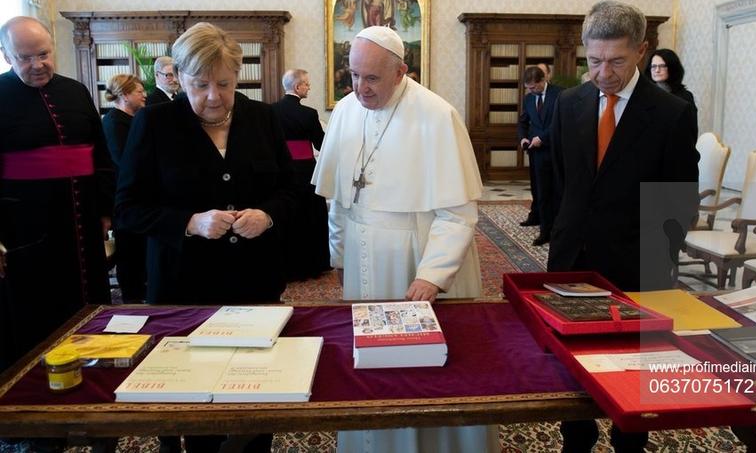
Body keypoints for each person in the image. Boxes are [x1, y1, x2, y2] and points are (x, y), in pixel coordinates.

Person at [312, 26, 496, 453]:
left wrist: (433, 275)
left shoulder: (437, 115)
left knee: (428, 369)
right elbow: (339, 198)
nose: (360, 88)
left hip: (417, 262)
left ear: (401, 72)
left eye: (372, 78)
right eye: (353, 76)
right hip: (363, 260)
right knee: (370, 366)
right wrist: (339, 257)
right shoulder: (344, 111)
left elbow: (457, 211)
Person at [115, 22, 295, 452]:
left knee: (254, 400)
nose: (213, 95)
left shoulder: (261, 117)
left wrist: (267, 216)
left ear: (238, 76)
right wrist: (189, 222)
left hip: (254, 282)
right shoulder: (155, 123)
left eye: (224, 83)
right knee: (196, 410)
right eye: (200, 84)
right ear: (178, 76)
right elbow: (128, 208)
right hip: (184, 285)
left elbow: (292, 191)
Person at [547, 1, 698, 452]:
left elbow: (678, 197)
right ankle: (577, 436)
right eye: (593, 61)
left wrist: (659, 267)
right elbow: (559, 182)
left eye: (616, 61)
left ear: (641, 51)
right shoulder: (569, 103)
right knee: (572, 365)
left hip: (638, 262)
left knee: (633, 370)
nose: (603, 73)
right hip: (572, 257)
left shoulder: (671, 113)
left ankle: (629, 441)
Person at [0, 16, 114, 372]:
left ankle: (93, 375)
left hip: (81, 223)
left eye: (44, 54)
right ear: (6, 56)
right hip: (23, 228)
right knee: (33, 316)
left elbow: (100, 156)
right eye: (25, 57)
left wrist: (106, 210)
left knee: (87, 305)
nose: (38, 65)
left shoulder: (76, 91)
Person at [273, 68, 330, 280]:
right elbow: (320, 143)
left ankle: (287, 265)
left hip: (281, 171)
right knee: (310, 216)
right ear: (297, 87)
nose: (309, 87)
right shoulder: (308, 114)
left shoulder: (271, 111)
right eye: (306, 84)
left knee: (286, 214)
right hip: (305, 171)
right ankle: (312, 265)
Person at [101, 74, 148, 303]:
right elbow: (123, 159)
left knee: (141, 253)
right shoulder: (113, 122)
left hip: (142, 196)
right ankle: (132, 302)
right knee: (129, 255)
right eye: (139, 91)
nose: (144, 95)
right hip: (125, 199)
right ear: (124, 94)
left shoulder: (136, 119)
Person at [517, 66, 562, 245]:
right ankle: (537, 218)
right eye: (528, 88)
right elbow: (523, 122)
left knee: (550, 192)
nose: (531, 91)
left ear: (543, 81)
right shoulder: (528, 99)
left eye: (534, 87)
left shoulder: (560, 95)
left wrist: (542, 138)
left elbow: (561, 122)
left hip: (553, 150)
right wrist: (522, 139)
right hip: (535, 152)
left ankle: (547, 231)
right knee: (537, 189)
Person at [644, 48, 699, 139]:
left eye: (662, 66)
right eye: (653, 66)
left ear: (672, 68)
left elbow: (690, 133)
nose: (657, 70)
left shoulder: (685, 97)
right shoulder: (645, 95)